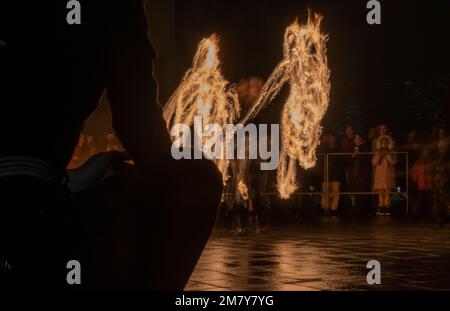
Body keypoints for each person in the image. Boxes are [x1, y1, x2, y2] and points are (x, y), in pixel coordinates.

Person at [0, 1, 222, 290]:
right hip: (38, 204)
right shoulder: (109, 10)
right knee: (198, 179)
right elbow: (138, 120)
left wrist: (66, 180)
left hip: (36, 191)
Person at [372, 135, 397, 216]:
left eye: (386, 142)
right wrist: (379, 155)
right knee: (380, 191)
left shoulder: (391, 152)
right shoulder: (377, 152)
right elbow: (373, 162)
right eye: (382, 142)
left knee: (387, 191)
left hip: (388, 174)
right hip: (379, 174)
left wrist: (388, 155)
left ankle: (387, 206)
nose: (384, 144)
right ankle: (381, 206)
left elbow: (394, 162)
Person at [319, 134, 343, 216]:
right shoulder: (324, 148)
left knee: (336, 192)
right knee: (325, 191)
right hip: (326, 173)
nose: (331, 139)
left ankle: (333, 209)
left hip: (336, 173)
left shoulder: (338, 148)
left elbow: (340, 160)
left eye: (332, 137)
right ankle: (325, 208)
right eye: (329, 137)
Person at [411, 149, 434, 216]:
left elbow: (432, 170)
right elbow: (414, 171)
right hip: (421, 183)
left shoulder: (430, 161)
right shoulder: (418, 162)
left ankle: (428, 212)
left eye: (426, 152)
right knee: (421, 198)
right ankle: (420, 212)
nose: (425, 154)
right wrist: (415, 180)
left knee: (429, 198)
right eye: (424, 152)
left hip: (429, 183)